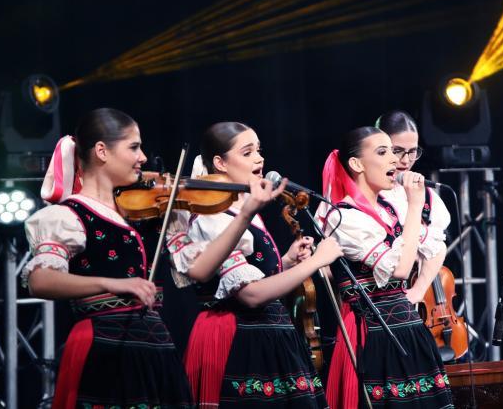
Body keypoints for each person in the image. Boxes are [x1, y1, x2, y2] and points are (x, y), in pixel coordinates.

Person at [23, 108, 193, 408]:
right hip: (103, 347)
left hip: (155, 350)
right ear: (102, 151)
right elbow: (40, 280)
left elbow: (198, 269)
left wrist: (244, 212)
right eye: (134, 147)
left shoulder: (142, 213)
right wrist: (112, 283)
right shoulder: (67, 216)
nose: (143, 158)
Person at [167, 121, 342, 408]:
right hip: (239, 336)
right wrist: (316, 262)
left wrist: (286, 261)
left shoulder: (243, 207)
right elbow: (250, 294)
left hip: (268, 334)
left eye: (259, 150)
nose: (259, 159)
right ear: (220, 163)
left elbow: (253, 275)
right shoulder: (214, 216)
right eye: (247, 152)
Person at [319, 126, 453, 408]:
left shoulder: (390, 209)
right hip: (371, 332)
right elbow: (400, 269)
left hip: (408, 327)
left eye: (393, 151)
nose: (395, 159)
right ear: (356, 164)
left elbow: (435, 245)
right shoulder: (344, 217)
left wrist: (419, 290)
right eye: (383, 152)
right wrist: (415, 206)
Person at [375, 110, 449, 306]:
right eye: (398, 150)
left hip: (411, 305)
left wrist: (418, 291)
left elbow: (437, 247)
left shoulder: (426, 196)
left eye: (413, 151)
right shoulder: (363, 193)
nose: (406, 160)